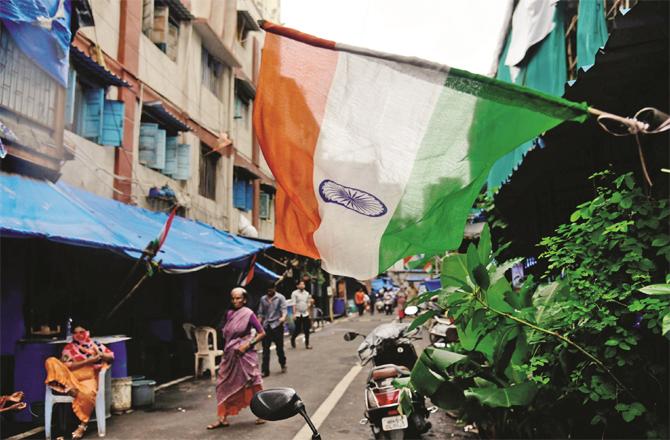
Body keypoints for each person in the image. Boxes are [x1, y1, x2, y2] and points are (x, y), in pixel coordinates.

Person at [207, 287, 265, 429]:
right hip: (230, 356)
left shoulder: (248, 314)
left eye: (238, 298)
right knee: (222, 385)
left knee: (253, 383)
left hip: (245, 356)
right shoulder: (229, 314)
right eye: (233, 298)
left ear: (244, 300)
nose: (235, 301)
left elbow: (261, 333)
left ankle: (262, 413)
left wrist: (247, 344)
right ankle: (222, 418)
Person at [44, 324, 114, 439]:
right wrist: (87, 361)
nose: (78, 335)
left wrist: (100, 354)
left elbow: (111, 357)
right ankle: (68, 388)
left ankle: (82, 425)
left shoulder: (95, 345)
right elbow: (65, 365)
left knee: (87, 394)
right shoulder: (69, 347)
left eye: (81, 332)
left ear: (88, 332)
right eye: (75, 333)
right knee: (51, 361)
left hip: (88, 379)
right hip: (71, 379)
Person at [257, 285, 288, 377]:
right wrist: (258, 324)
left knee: (279, 348)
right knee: (265, 350)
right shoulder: (263, 299)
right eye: (268, 290)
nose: (269, 291)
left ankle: (283, 363)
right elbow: (260, 313)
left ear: (275, 289)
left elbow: (284, 309)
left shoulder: (280, 297)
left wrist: (283, 318)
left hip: (277, 325)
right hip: (266, 326)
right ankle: (265, 371)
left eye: (271, 290)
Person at [291, 281, 314, 349]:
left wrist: (309, 314)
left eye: (303, 284)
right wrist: (294, 314)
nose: (302, 285)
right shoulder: (294, 293)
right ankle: (293, 339)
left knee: (306, 329)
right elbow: (294, 304)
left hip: (305, 313)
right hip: (298, 313)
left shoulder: (307, 293)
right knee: (297, 329)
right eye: (300, 284)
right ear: (297, 286)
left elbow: (308, 304)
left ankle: (307, 344)